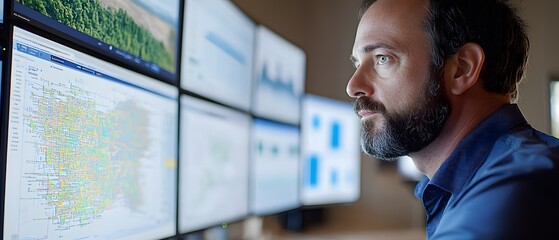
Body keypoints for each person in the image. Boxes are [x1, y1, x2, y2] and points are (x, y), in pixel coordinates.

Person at [346, 0, 559, 239]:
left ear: (462, 69)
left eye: (382, 58)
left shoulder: (518, 189)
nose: (353, 86)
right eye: (357, 63)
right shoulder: (482, 181)